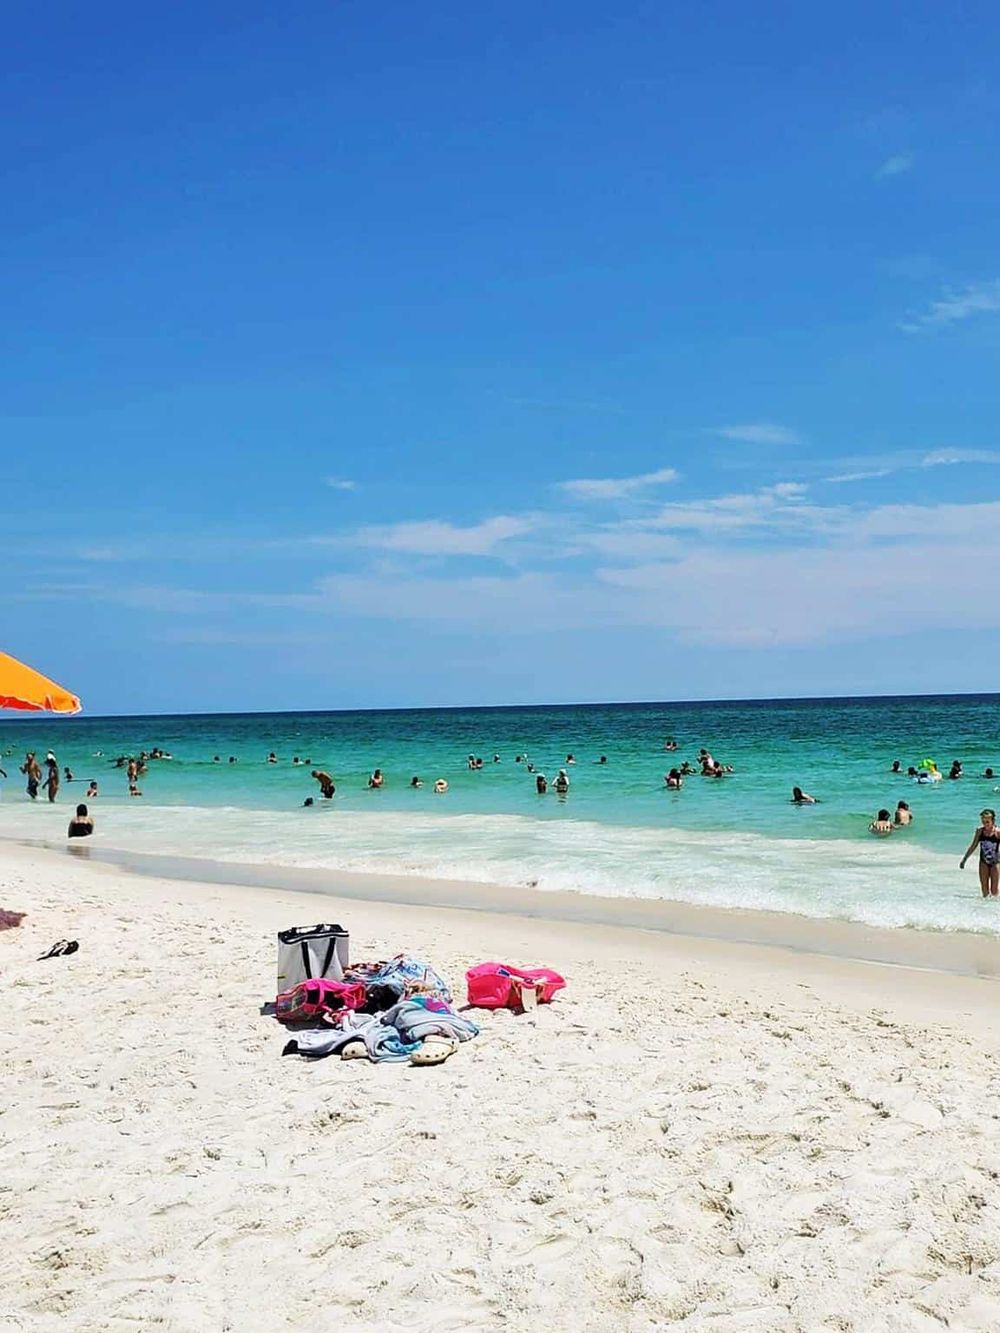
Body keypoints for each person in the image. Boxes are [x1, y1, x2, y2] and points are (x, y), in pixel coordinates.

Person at [961, 809, 1000, 898]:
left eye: (987, 821)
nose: (985, 824)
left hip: (995, 863)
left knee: (994, 890)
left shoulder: (998, 832)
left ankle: (994, 908)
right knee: (984, 890)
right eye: (983, 821)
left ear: (993, 821)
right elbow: (973, 846)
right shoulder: (980, 831)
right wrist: (964, 860)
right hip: (983, 863)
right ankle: (984, 908)